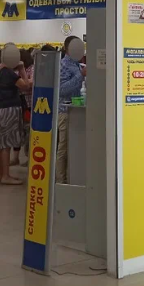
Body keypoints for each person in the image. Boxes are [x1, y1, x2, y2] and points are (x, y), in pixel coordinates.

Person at [0, 44, 31, 185]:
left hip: (1, 109)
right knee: (7, 144)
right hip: (10, 110)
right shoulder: (9, 73)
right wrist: (22, 69)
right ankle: (5, 175)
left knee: (2, 144)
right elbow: (26, 86)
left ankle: (2, 174)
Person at [56, 35, 85, 184]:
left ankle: (71, 178)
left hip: (75, 111)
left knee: (73, 147)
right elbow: (61, 90)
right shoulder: (63, 65)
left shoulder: (77, 64)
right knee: (64, 148)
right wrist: (81, 75)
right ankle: (61, 180)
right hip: (65, 112)